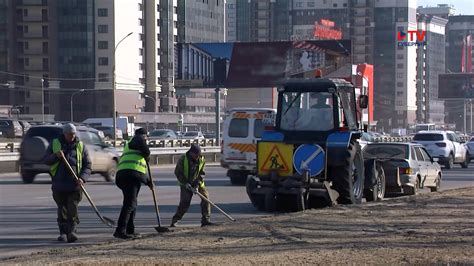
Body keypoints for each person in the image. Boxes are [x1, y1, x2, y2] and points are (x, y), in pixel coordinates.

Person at [44, 123, 91, 243]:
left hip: (75, 184)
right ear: (64, 134)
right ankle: (63, 233)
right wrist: (56, 156)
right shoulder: (55, 144)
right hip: (58, 184)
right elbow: (46, 160)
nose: (72, 136)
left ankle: (72, 231)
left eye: (73, 134)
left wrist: (82, 178)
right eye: (70, 134)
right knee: (62, 208)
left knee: (72, 207)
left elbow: (87, 165)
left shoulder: (80, 146)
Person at [113, 128, 152, 239]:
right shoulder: (139, 139)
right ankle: (120, 230)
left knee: (132, 203)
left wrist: (148, 182)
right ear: (144, 136)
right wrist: (147, 155)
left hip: (124, 175)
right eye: (146, 138)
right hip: (130, 176)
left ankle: (130, 230)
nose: (146, 140)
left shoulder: (130, 143)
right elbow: (146, 152)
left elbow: (139, 166)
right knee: (130, 204)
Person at [171, 144, 214, 227]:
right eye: (196, 155)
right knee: (185, 202)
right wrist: (186, 183)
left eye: (199, 155)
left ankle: (206, 220)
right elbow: (178, 172)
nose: (197, 157)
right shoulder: (183, 159)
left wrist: (197, 185)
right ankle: (175, 220)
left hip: (198, 183)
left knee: (206, 198)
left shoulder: (201, 159)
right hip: (185, 184)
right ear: (191, 153)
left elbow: (202, 173)